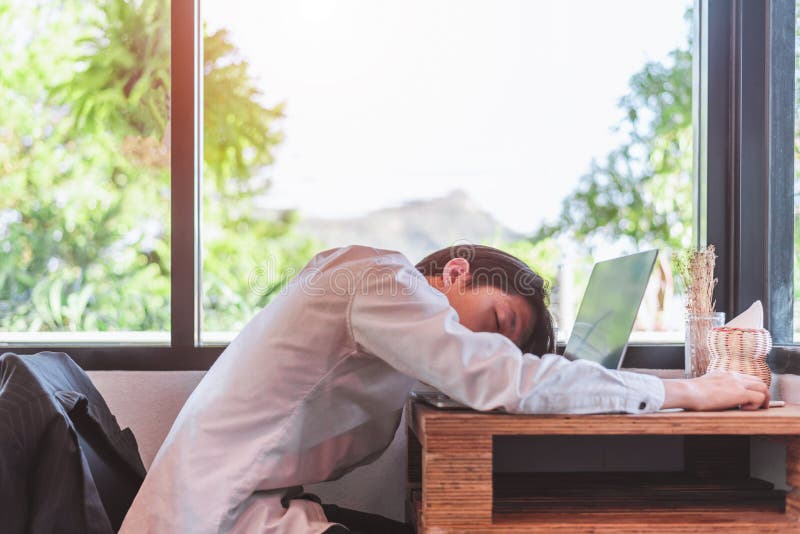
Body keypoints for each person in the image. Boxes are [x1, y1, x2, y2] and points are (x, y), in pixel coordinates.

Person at [121, 244, 770, 534]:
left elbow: (492, 372)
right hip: (216, 519)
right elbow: (498, 377)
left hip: (248, 500)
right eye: (495, 323)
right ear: (455, 271)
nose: (487, 345)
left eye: (501, 339)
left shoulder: (388, 312)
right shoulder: (382, 282)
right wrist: (685, 392)